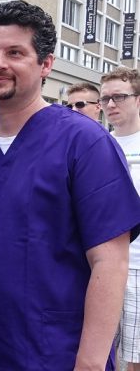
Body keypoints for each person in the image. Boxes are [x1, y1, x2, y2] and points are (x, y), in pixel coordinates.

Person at [0, 0, 140, 370]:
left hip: (54, 353)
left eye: (15, 52)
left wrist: (90, 363)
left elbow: (110, 262)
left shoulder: (85, 143)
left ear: (46, 64)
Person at [99, 67, 140, 370]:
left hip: (138, 267)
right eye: (105, 99)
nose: (111, 104)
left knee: (135, 358)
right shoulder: (97, 144)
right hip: (100, 266)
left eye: (120, 97)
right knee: (99, 353)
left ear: (138, 100)